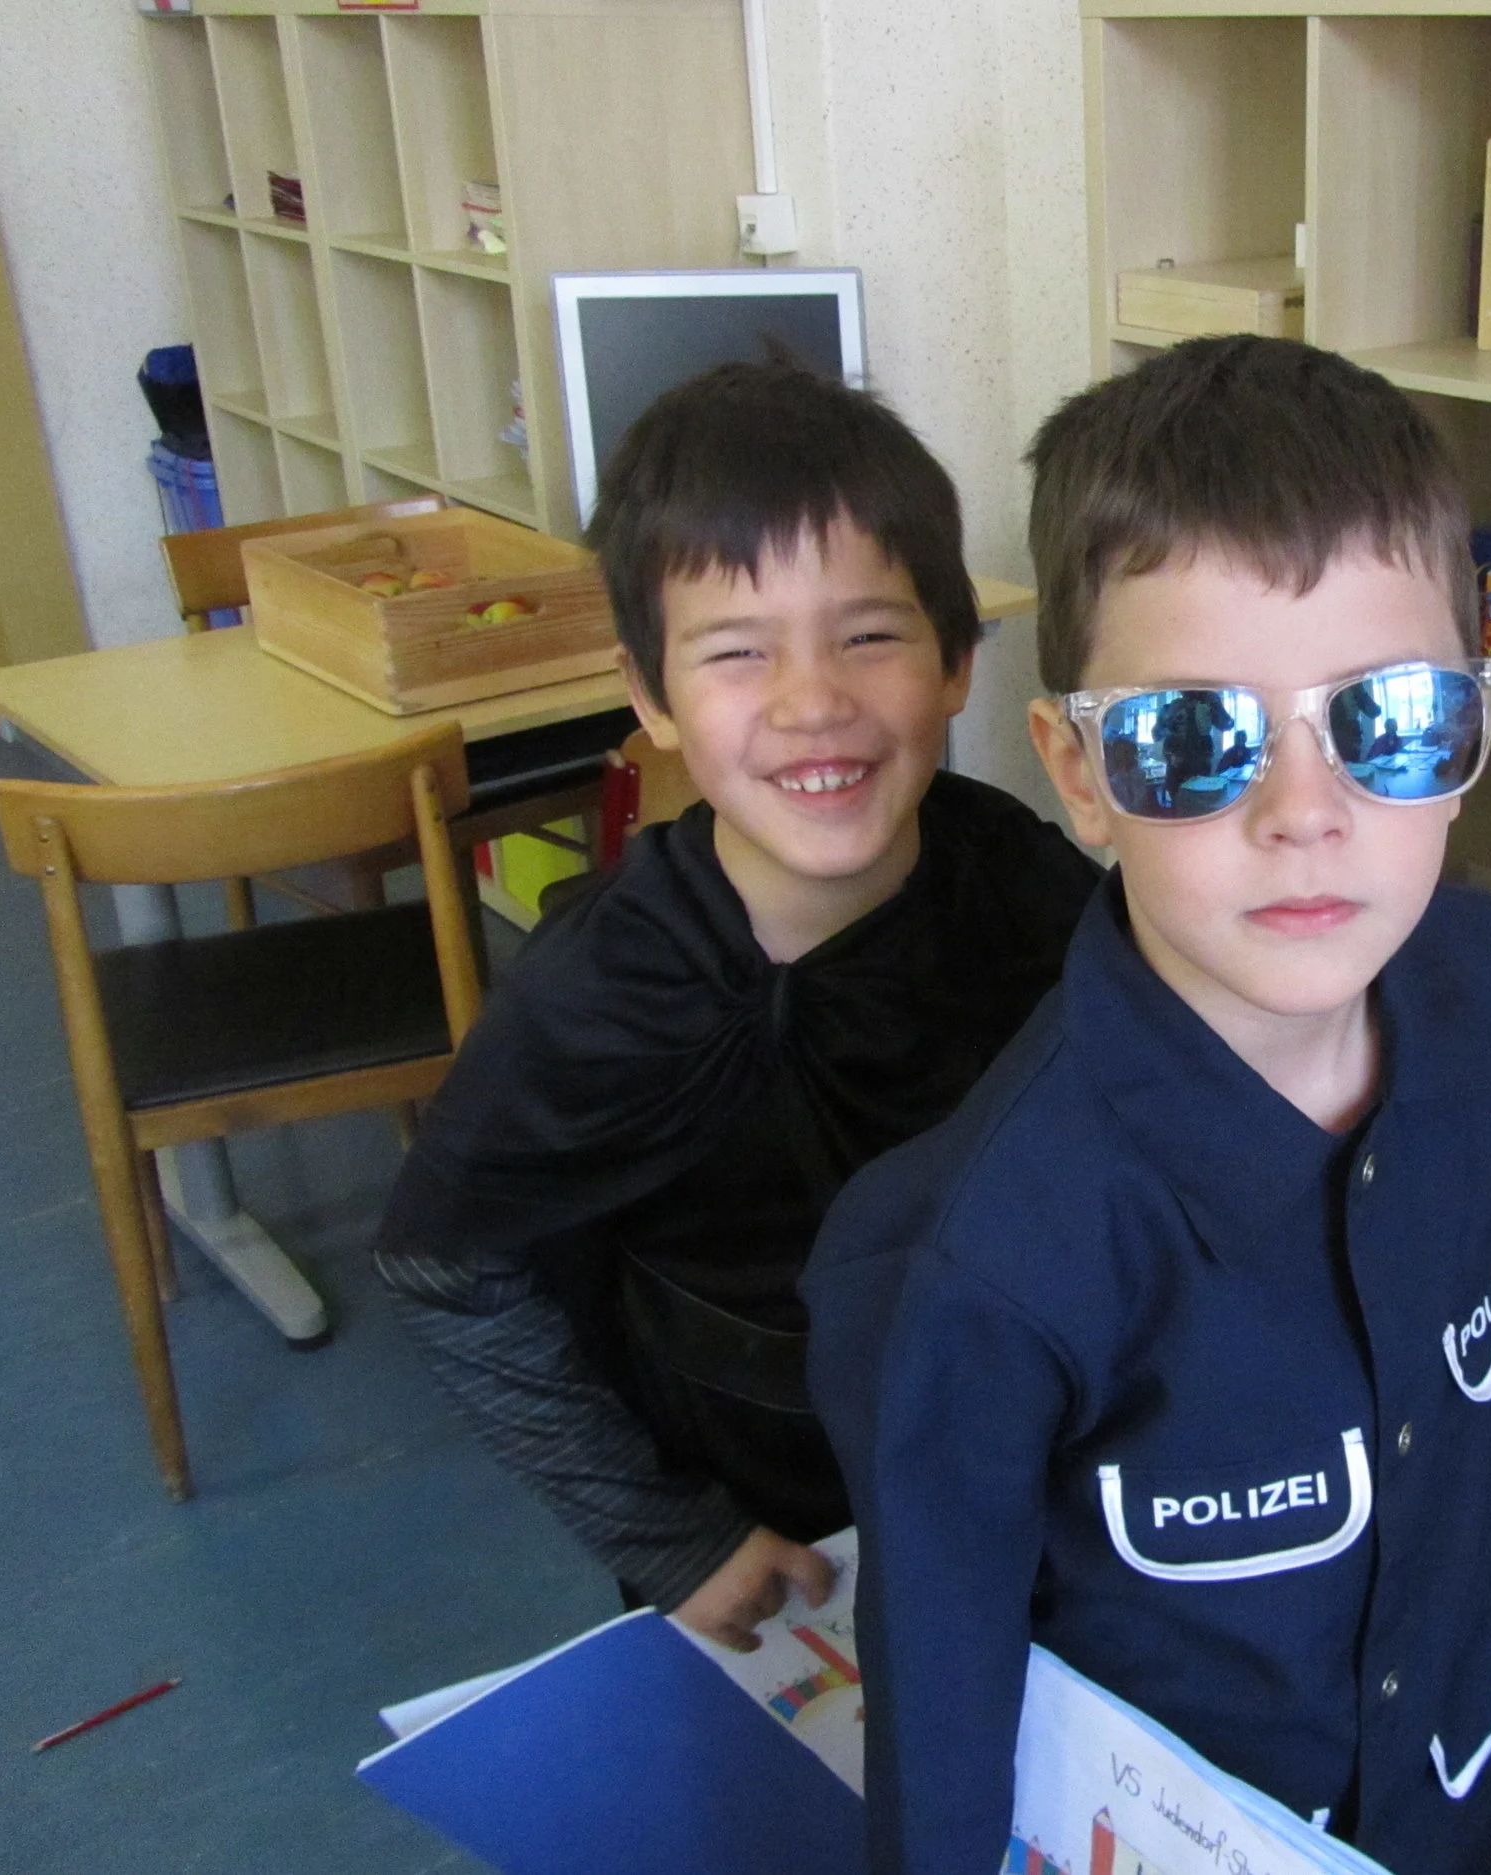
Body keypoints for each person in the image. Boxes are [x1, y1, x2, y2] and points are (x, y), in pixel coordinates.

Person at [805, 335, 1491, 1874]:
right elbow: (941, 1698)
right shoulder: (978, 1263)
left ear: (1471, 725)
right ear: (1080, 774)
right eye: (1195, 739)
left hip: (1442, 1778)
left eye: (1390, 717)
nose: (1306, 813)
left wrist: (1474, 1518)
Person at [374, 359, 1099, 1649]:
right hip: (769, 1538)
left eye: (868, 636)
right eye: (736, 652)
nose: (812, 702)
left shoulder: (1021, 880)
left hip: (1018, 1475)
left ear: (956, 662)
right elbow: (446, 1261)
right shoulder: (599, 988)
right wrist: (669, 1538)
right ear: (650, 698)